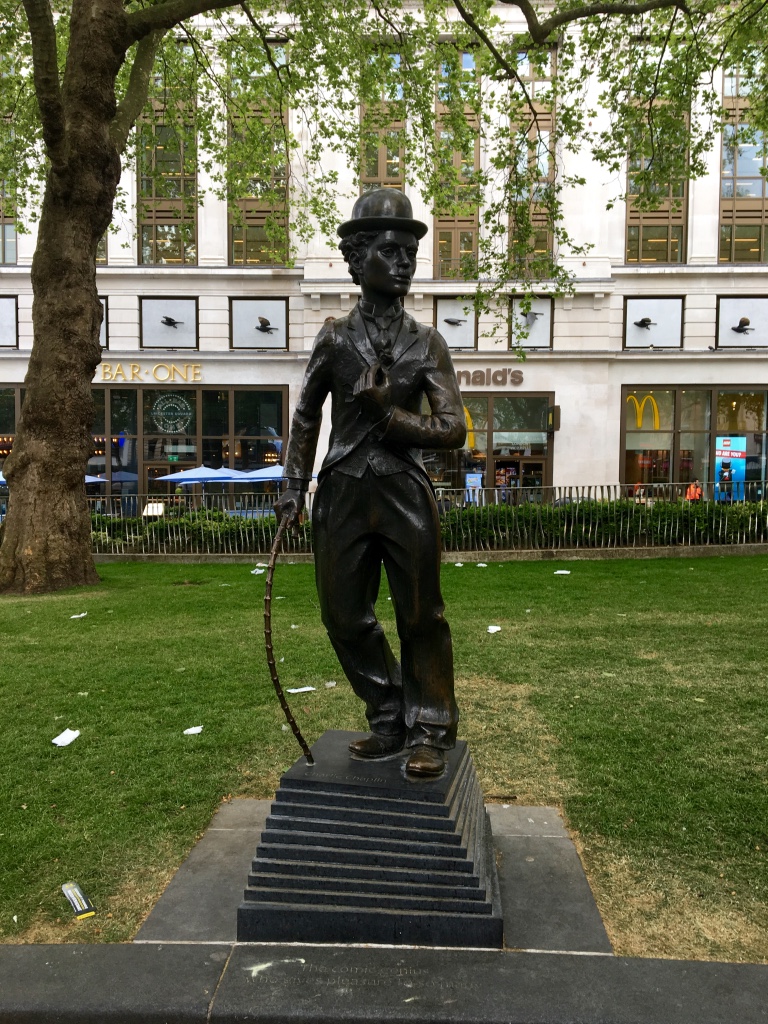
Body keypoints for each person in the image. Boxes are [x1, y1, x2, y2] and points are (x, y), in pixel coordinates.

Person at [276, 189, 466, 777]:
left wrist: (390, 415)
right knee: (343, 616)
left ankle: (430, 727)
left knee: (421, 615)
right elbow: (307, 415)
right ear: (358, 261)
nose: (405, 262)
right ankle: (387, 715)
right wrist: (292, 486)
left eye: (410, 252)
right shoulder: (333, 338)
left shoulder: (427, 342)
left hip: (405, 493)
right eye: (391, 251)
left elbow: (453, 428)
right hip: (343, 492)